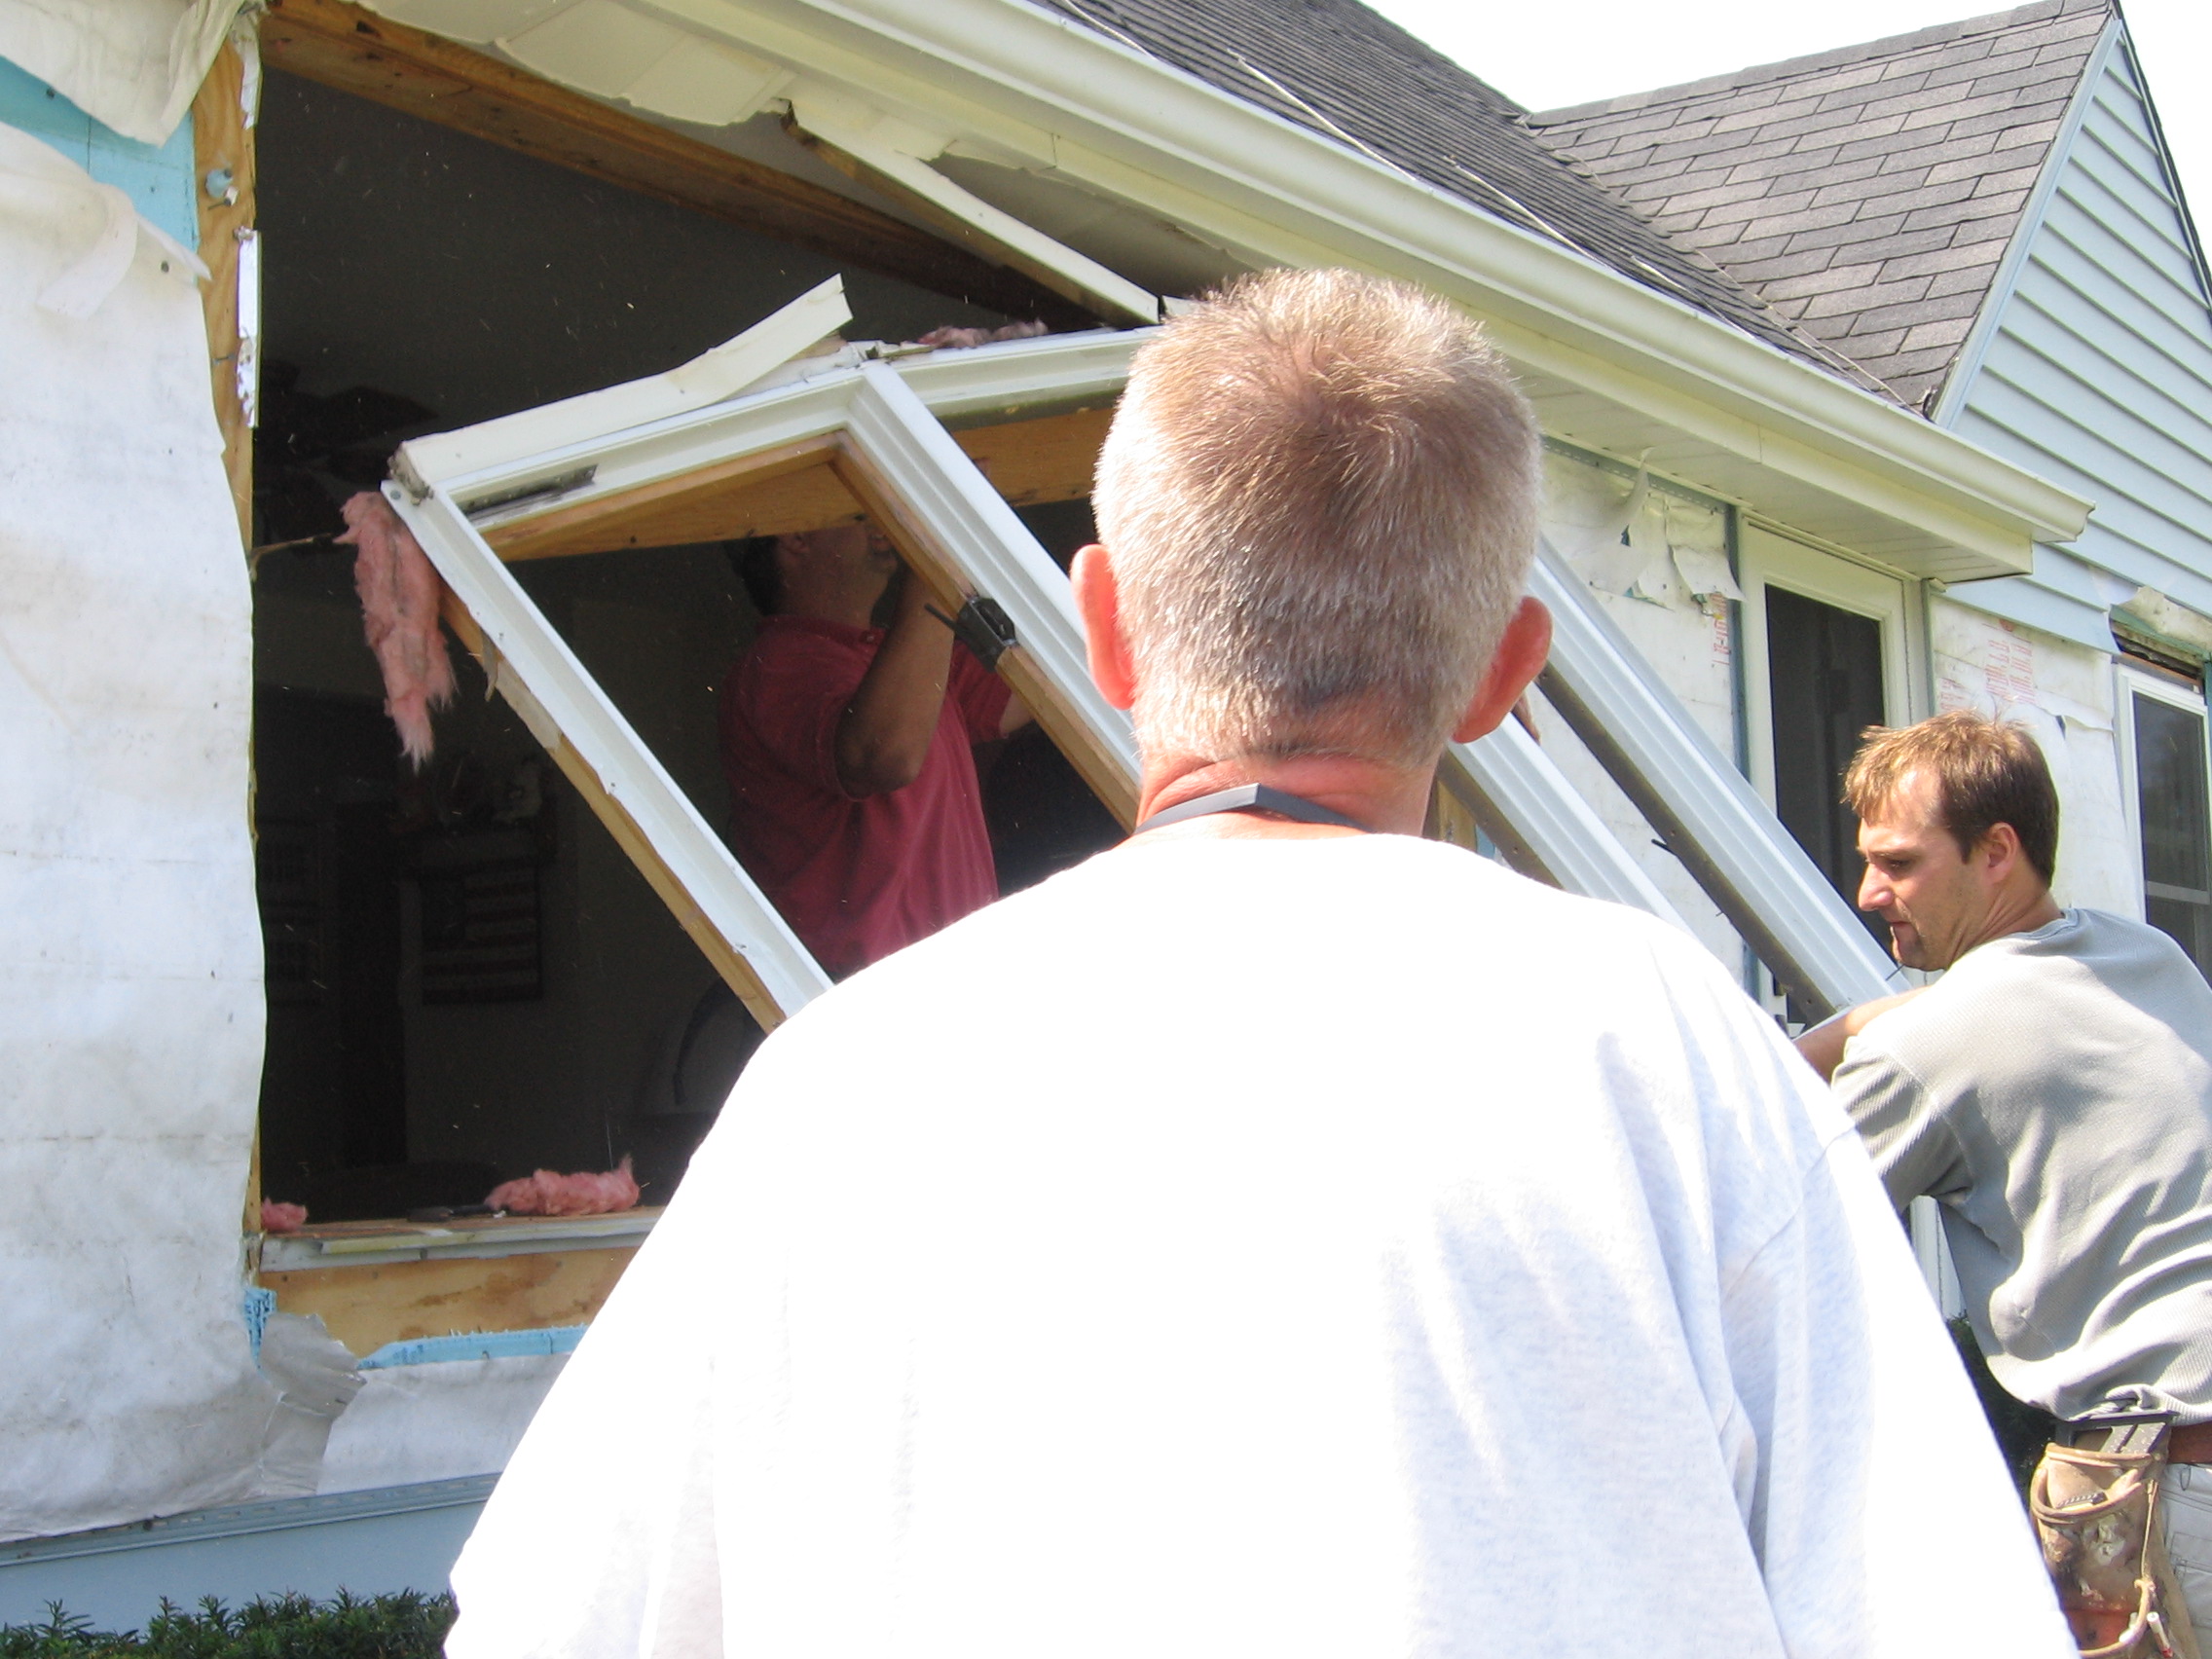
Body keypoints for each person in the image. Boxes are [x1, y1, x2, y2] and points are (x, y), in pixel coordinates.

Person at [448, 271, 2068, 1658]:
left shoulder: (830, 1085)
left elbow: (550, 1620)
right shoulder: (1670, 1053)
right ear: (1506, 668)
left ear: (1102, 628)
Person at [1795, 711, 2212, 1644]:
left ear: (1997, 852)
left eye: (1900, 863)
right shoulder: (2148, 956)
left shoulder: (1927, 1046)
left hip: (2165, 1484)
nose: (1868, 892)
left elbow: (1757, 1209)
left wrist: (1846, 1034)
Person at [719, 521, 1030, 977]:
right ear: (795, 535)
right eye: (859, 512)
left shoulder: (892, 658)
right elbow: (885, 755)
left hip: (954, 984)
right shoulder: (778, 662)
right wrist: (940, 546)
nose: (882, 521)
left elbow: (1049, 683)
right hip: (878, 1004)